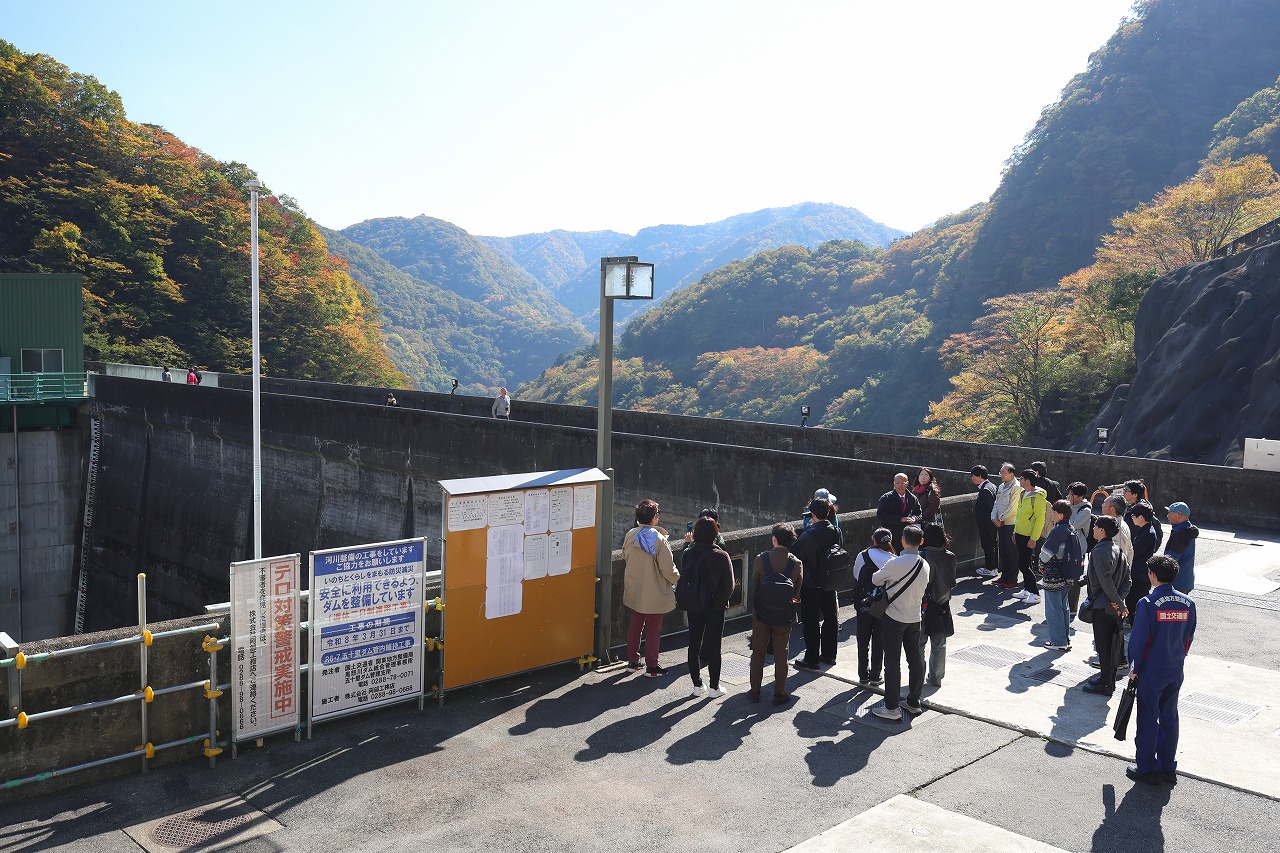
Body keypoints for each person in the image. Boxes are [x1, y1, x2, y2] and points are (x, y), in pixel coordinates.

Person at [1125, 554, 1197, 785]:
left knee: (1148, 717)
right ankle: (1167, 767)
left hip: (1151, 669)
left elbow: (1138, 640)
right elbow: (1189, 637)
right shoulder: (1188, 603)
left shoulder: (1147, 603)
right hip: (1175, 667)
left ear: (1153, 576)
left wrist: (1134, 667)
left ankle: (1146, 767)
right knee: (1169, 716)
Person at [870, 525, 931, 721]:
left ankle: (891, 707)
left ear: (903, 540)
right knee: (915, 660)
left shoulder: (896, 563)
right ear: (921, 542)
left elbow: (875, 579)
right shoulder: (925, 565)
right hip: (915, 618)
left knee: (892, 662)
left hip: (894, 617)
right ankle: (914, 701)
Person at [621, 499, 679, 677]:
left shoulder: (631, 534)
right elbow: (668, 568)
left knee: (635, 624)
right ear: (654, 517)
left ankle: (632, 661)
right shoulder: (659, 539)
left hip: (635, 586)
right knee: (654, 627)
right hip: (654, 589)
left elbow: (624, 555)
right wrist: (677, 579)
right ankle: (652, 665)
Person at [749, 523, 804, 704]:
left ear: (774, 539)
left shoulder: (761, 559)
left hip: (762, 613)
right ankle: (779, 692)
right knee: (782, 654)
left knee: (758, 652)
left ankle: (755, 691)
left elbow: (754, 588)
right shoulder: (796, 564)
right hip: (783, 614)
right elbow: (796, 592)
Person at [681, 517, 736, 697]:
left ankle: (697, 685)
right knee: (714, 647)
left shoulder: (688, 553)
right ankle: (714, 687)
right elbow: (729, 585)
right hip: (715, 607)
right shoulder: (721, 556)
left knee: (693, 645)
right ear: (715, 534)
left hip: (694, 604)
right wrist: (719, 601)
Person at [790, 498, 842, 670]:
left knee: (811, 621)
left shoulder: (807, 536)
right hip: (830, 581)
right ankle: (829, 654)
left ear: (812, 515)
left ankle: (812, 658)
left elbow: (796, 555)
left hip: (811, 584)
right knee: (830, 618)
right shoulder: (836, 531)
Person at [1082, 515, 1131, 695]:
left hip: (1103, 606)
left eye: (1095, 526)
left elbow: (1105, 582)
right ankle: (1106, 680)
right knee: (1112, 647)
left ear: (1102, 530)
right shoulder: (1119, 551)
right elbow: (1127, 581)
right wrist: (1120, 602)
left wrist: (1116, 602)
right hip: (1114, 607)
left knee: (1104, 647)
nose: (1093, 528)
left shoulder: (1099, 551)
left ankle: (1106, 684)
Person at [852, 528, 896, 685]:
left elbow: (856, 575)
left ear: (874, 540)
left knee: (863, 640)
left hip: (863, 601)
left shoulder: (862, 555)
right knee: (879, 640)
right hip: (882, 604)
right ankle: (875, 676)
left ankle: (863, 674)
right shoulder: (893, 560)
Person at [1039, 500, 1085, 650]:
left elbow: (1046, 552)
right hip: (1067, 574)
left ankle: (1058, 642)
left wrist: (1041, 564)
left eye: (1054, 512)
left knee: (1053, 609)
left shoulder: (1058, 530)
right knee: (1063, 607)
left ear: (1060, 514)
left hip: (1054, 574)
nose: (1052, 514)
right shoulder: (1071, 528)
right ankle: (1065, 639)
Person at [919, 524, 956, 686]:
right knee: (939, 644)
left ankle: (918, 677)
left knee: (919, 643)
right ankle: (936, 677)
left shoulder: (922, 556)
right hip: (942, 604)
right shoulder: (950, 556)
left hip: (922, 606)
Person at [1010, 469, 1046, 605]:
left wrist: (1034, 538)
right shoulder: (1023, 493)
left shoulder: (1038, 497)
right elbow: (1019, 515)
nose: (1020, 480)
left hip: (1028, 535)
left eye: (1022, 478)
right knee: (1026, 563)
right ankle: (1027, 589)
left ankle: (1035, 593)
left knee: (1023, 564)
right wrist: (1015, 532)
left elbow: (1040, 519)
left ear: (1027, 481)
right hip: (1020, 533)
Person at [991, 463, 1020, 590]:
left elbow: (1013, 508)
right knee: (1002, 550)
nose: (1000, 475)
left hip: (1011, 523)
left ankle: (1012, 579)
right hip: (1001, 523)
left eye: (1003, 472)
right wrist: (994, 517)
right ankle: (1005, 575)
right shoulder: (1002, 486)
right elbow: (996, 503)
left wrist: (1001, 518)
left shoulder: (1017, 487)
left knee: (1011, 552)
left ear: (1011, 474)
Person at [1127, 503, 1158, 617]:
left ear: (1141, 517)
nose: (1132, 518)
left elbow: (1135, 552)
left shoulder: (1148, 533)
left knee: (1135, 602)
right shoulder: (1145, 530)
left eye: (1133, 515)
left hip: (1140, 574)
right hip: (1139, 573)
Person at [876, 473, 922, 546]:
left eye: (903, 483)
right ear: (894, 483)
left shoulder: (912, 498)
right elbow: (881, 515)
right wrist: (900, 519)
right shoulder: (886, 498)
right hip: (890, 534)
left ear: (907, 483)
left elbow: (919, 514)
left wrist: (914, 518)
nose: (900, 486)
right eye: (898, 483)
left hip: (906, 536)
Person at [1163, 501, 1199, 594]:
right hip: (1185, 580)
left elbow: (1170, 560)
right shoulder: (1187, 530)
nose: (1167, 516)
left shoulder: (1181, 534)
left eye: (1170, 513)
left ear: (1179, 516)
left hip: (1177, 582)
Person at [971, 466, 999, 578]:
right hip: (991, 523)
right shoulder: (992, 486)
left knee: (988, 545)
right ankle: (994, 567)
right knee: (993, 545)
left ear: (980, 476)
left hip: (987, 524)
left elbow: (990, 508)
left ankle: (990, 568)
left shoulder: (985, 490)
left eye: (973, 476)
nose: (972, 478)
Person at [1124, 480, 1163, 550]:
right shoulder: (1128, 507)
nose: (1123, 492)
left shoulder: (1140, 511)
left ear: (1135, 495)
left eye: (1126, 490)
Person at [1029, 462, 1061, 541]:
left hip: (1039, 516)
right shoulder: (1051, 483)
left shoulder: (1036, 485)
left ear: (1037, 472)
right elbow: (1059, 498)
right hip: (1050, 516)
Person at [1103, 496, 1133, 569]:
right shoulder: (1121, 524)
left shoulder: (1116, 528)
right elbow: (1130, 551)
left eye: (1104, 504)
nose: (1102, 506)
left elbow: (1118, 556)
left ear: (1112, 509)